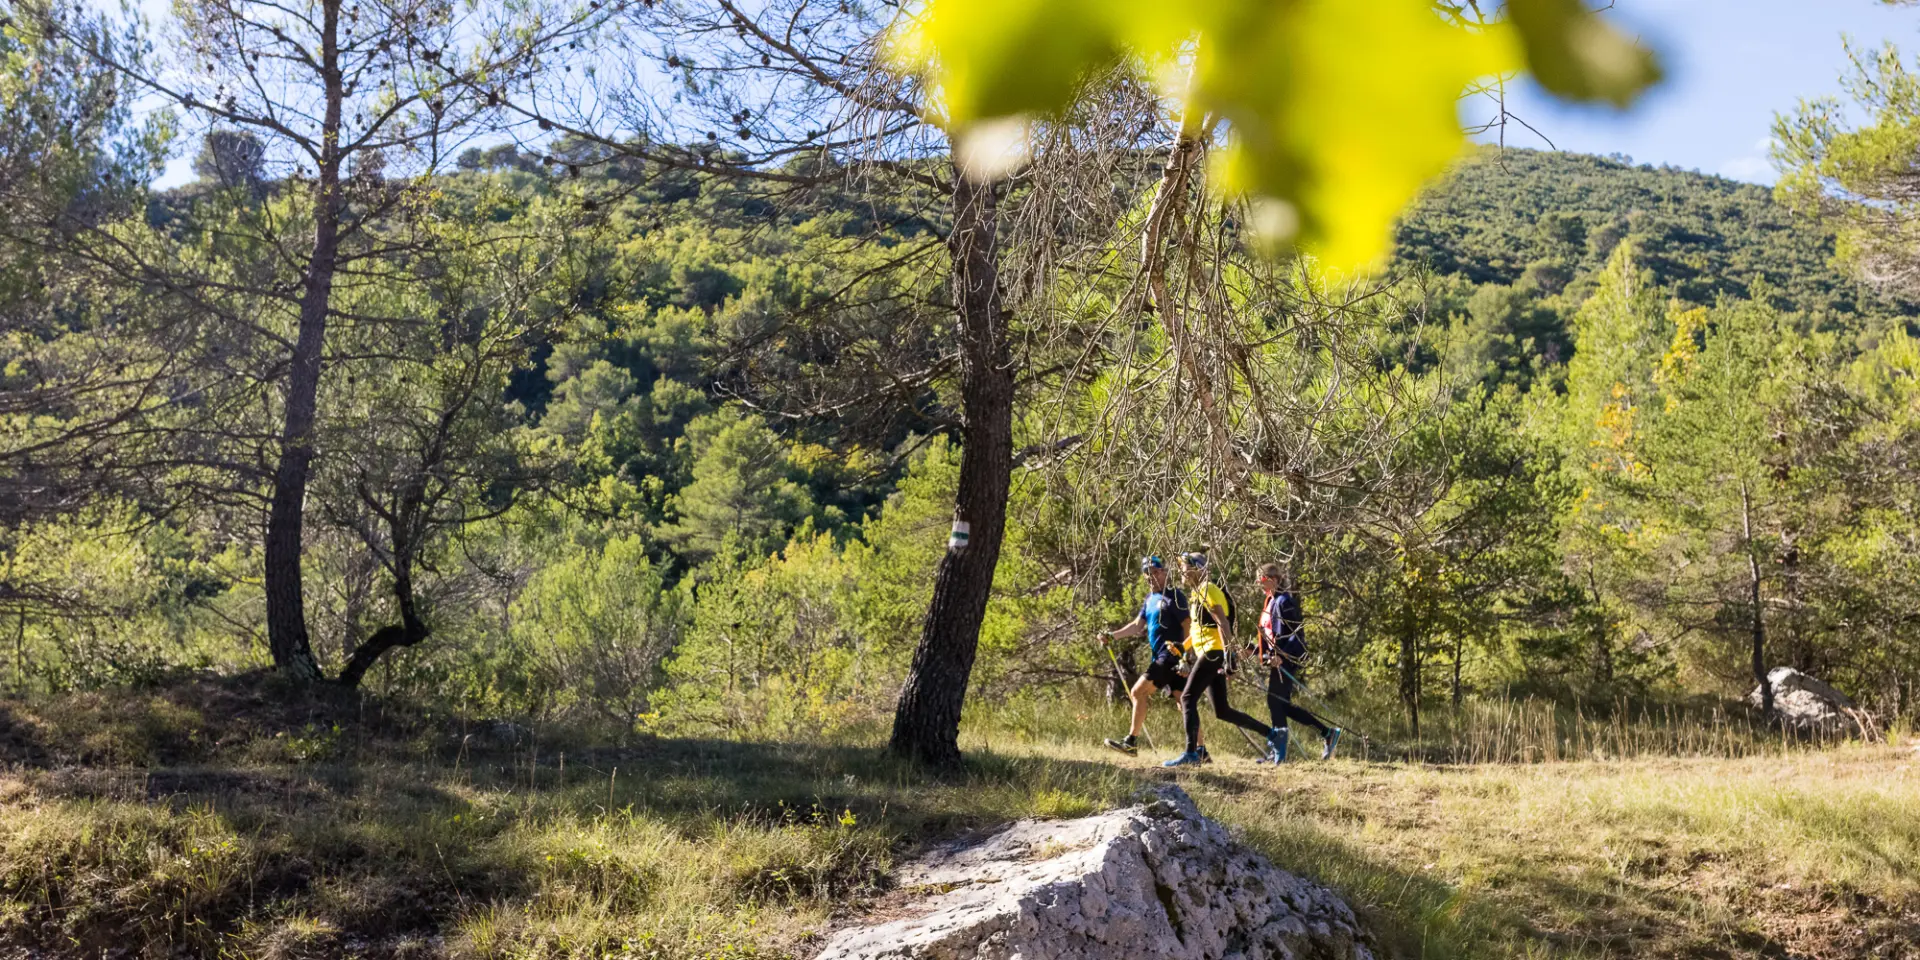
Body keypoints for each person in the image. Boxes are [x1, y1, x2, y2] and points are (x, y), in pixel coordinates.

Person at [1163, 552, 1286, 768]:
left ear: (1197, 568)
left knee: (1187, 698)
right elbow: (1202, 629)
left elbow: (1222, 623)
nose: (1181, 571)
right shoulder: (1198, 593)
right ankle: (1273, 734)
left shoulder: (1209, 590)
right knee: (1222, 711)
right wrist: (1184, 647)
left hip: (1213, 652)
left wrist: (1229, 656)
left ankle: (1192, 754)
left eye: (1184, 566)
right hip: (1209, 652)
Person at [1102, 555, 1208, 760]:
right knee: (1183, 703)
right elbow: (1136, 626)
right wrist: (1111, 636)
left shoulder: (1174, 596)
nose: (1151, 576)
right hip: (1162, 657)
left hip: (1170, 656)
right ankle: (1202, 750)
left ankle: (1131, 742)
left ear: (1165, 573)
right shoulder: (1150, 600)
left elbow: (1188, 624)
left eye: (1156, 571)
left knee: (1138, 692)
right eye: (1147, 573)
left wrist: (1185, 657)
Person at [1250, 562, 1341, 762]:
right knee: (1281, 705)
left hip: (1285, 660)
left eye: (1262, 580)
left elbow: (1296, 634)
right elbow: (1269, 635)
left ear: (1273, 580)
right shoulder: (1271, 601)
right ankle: (1327, 733)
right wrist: (1255, 650)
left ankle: (1278, 753)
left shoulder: (1284, 601)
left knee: (1275, 703)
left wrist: (1282, 656)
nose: (1259, 584)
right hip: (1276, 660)